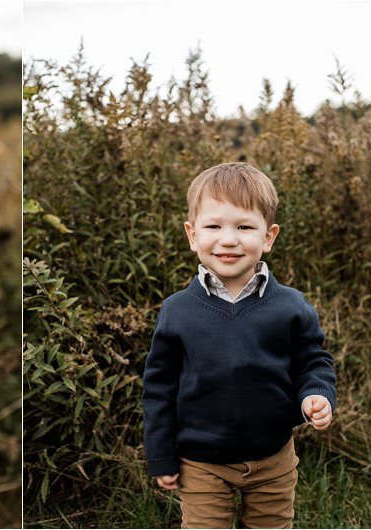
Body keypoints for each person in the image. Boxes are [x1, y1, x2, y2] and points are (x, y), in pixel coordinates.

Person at [142, 162, 336, 528]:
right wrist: (161, 455)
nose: (228, 239)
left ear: (268, 236)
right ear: (192, 234)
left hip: (273, 457)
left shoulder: (290, 306)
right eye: (213, 226)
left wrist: (318, 394)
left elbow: (313, 360)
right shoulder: (177, 311)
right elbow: (159, 389)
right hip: (201, 461)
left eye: (244, 227)